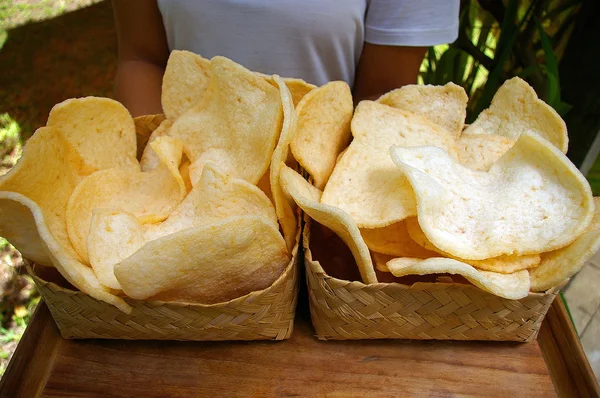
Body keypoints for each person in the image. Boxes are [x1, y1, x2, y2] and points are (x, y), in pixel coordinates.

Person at [112, 0, 460, 117]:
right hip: (184, 185)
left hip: (323, 204)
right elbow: (142, 59)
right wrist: (159, 167)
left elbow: (383, 95)